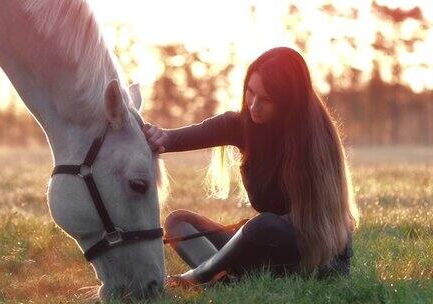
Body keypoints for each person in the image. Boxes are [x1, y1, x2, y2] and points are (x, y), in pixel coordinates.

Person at [143, 47, 358, 287]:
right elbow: (177, 137)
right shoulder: (244, 125)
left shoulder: (315, 139)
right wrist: (158, 137)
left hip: (313, 256)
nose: (254, 105)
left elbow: (311, 226)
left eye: (266, 99)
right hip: (263, 245)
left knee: (263, 225)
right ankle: (222, 282)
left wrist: (249, 231)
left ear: (289, 102)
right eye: (250, 92)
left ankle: (198, 277)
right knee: (178, 222)